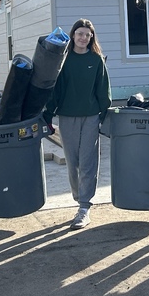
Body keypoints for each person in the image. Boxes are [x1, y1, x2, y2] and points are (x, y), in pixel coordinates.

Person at [43, 19, 111, 229]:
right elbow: (56, 90)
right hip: (67, 116)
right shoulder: (64, 60)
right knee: (73, 163)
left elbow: (103, 90)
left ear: (91, 38)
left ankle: (84, 206)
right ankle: (78, 197)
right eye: (80, 33)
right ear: (73, 35)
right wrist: (48, 114)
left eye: (87, 35)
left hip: (90, 116)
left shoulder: (96, 60)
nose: (83, 38)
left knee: (88, 161)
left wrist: (104, 115)